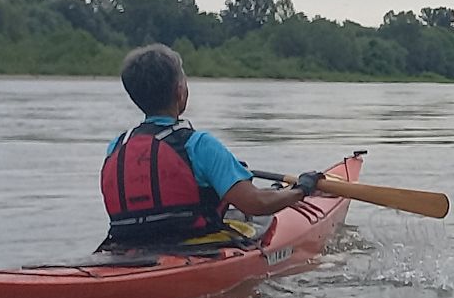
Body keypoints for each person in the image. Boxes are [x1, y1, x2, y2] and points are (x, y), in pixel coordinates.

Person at [100, 44, 323, 254]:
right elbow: (256, 204)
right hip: (193, 249)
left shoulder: (117, 146)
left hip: (126, 248)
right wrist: (301, 190)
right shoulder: (199, 145)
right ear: (180, 92)